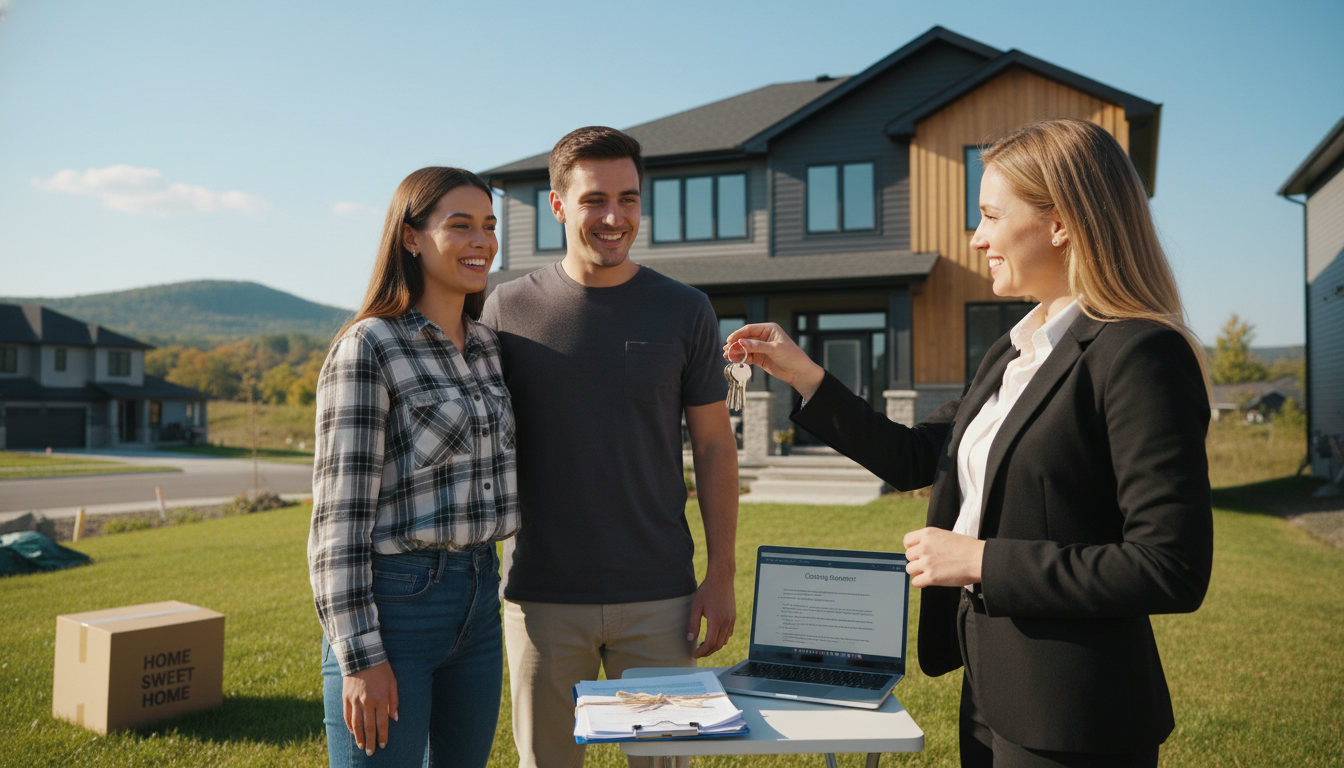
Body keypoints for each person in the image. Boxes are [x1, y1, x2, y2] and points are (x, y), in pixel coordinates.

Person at [727, 118, 1213, 768]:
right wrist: (804, 376)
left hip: (1075, 717)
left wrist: (981, 560)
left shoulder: (1138, 354)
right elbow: (914, 456)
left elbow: (1169, 566)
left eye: (988, 215)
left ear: (1061, 223)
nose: (977, 237)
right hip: (991, 692)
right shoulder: (1014, 351)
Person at [480, 126, 739, 768]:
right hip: (541, 594)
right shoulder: (506, 310)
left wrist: (722, 574)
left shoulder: (685, 310)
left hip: (660, 596)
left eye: (629, 199)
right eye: (595, 199)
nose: (614, 217)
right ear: (558, 205)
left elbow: (712, 447)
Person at [308, 167, 517, 766]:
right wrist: (360, 656)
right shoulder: (370, 346)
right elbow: (338, 522)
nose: (482, 241)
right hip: (397, 607)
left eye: (489, 226)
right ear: (411, 237)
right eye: (461, 226)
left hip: (480, 600)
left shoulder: (487, 349)